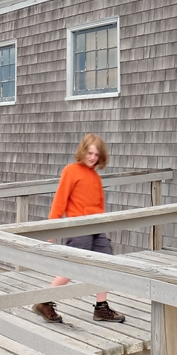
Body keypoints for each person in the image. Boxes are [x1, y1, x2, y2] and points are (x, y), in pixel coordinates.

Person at [33, 134, 126, 325]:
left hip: (97, 226)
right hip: (77, 225)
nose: (92, 157)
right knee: (73, 267)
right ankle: (44, 301)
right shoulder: (71, 171)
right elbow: (60, 200)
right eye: (90, 153)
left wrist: (103, 226)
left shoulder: (95, 176)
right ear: (83, 151)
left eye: (96, 154)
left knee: (106, 262)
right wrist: (52, 227)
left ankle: (101, 308)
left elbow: (99, 205)